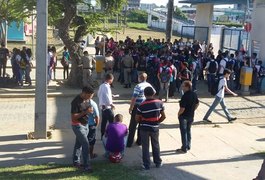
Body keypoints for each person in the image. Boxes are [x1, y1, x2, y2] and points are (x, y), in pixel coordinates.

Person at [136, 87, 166, 170]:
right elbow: (164, 116)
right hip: (155, 127)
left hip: (144, 128)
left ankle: (146, 165)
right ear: (153, 93)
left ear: (144, 95)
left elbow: (137, 118)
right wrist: (157, 122)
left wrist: (141, 122)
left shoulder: (141, 105)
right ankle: (158, 162)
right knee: (156, 145)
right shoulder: (160, 103)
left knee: (145, 147)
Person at [71, 87, 95, 173]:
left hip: (86, 125)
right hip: (77, 126)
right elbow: (73, 118)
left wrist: (90, 111)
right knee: (86, 145)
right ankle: (86, 165)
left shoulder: (87, 100)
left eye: (91, 97)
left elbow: (88, 109)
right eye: (88, 96)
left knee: (79, 144)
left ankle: (75, 162)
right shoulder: (75, 102)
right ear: (84, 93)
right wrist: (85, 112)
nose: (89, 98)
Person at [127, 73, 155, 147]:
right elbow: (154, 92)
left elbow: (134, 98)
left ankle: (129, 142)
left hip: (137, 107)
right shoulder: (149, 85)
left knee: (133, 125)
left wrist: (131, 107)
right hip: (145, 106)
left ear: (140, 78)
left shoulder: (138, 86)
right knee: (141, 124)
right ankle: (139, 141)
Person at [176, 81, 199, 153]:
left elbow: (182, 108)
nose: (182, 88)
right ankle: (188, 146)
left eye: (183, 86)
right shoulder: (194, 94)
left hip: (184, 116)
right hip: (191, 116)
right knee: (188, 131)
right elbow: (197, 103)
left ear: (187, 87)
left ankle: (184, 148)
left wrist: (179, 114)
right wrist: (192, 110)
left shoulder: (185, 96)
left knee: (184, 132)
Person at [98, 73, 115, 138]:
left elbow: (99, 94)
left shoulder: (102, 85)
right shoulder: (107, 87)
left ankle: (102, 135)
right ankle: (111, 134)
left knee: (104, 122)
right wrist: (111, 104)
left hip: (102, 107)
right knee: (112, 122)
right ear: (110, 79)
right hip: (107, 107)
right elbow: (107, 97)